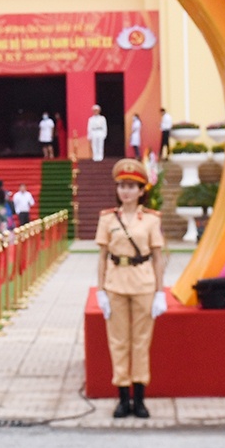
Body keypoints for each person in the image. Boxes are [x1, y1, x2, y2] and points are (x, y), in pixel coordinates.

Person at [94, 159, 167, 419]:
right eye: (122, 186)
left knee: (141, 343)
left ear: (141, 191)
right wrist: (100, 290)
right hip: (115, 284)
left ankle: (140, 399)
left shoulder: (149, 219)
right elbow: (102, 257)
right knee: (118, 342)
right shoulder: (107, 219)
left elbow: (158, 257)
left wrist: (160, 291)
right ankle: (123, 398)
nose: (126, 191)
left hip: (143, 284)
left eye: (131, 186)